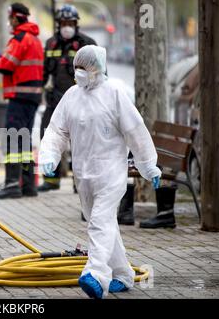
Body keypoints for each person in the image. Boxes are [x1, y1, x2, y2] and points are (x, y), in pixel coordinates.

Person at [39, 45, 162, 299]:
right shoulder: (72, 95)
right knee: (102, 223)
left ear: (97, 67)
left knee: (99, 223)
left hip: (111, 174)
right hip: (83, 175)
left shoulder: (114, 93)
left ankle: (95, 275)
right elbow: (56, 130)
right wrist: (50, 156)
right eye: (77, 67)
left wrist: (149, 165)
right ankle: (124, 274)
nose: (79, 72)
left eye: (85, 67)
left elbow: (136, 132)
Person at [0, 2, 44, 200]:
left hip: (19, 96)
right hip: (33, 96)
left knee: (11, 138)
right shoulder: (35, 39)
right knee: (24, 140)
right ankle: (28, 185)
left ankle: (11, 184)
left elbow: (7, 65)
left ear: (16, 18)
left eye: (10, 18)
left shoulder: (20, 38)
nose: (9, 22)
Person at [38, 4, 96, 193]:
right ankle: (51, 179)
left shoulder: (87, 43)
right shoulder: (51, 43)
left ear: (76, 23)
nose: (67, 26)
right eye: (63, 23)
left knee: (81, 141)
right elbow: (44, 71)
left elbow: (99, 72)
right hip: (56, 100)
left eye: (70, 22)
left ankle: (79, 182)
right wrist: (40, 90)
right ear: (58, 24)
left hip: (81, 100)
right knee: (47, 135)